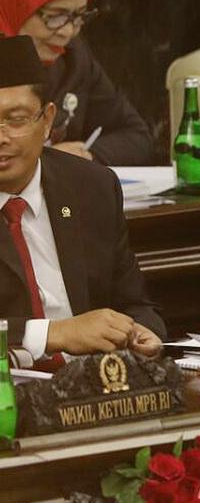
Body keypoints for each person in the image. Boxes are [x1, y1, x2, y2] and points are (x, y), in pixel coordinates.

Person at [0, 36, 165, 369]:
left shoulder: (92, 187)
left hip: (92, 390)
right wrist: (51, 334)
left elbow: (135, 304)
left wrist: (141, 332)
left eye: (15, 119)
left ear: (47, 120)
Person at [0, 0, 153, 166]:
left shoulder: (72, 56)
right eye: (55, 16)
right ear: (9, 0)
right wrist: (52, 162)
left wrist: (85, 156)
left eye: (79, 15)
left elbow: (137, 136)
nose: (68, 31)